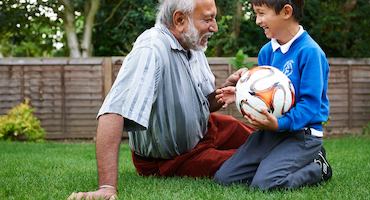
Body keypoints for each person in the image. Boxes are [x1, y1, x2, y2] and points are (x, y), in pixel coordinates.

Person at [68, 0, 254, 199]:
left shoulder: (192, 43)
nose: (215, 27)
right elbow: (113, 112)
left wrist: (225, 90)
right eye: (208, 19)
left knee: (261, 139)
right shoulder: (151, 49)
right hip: (176, 158)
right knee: (252, 160)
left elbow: (203, 105)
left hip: (207, 130)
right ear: (180, 19)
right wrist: (106, 187)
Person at [213, 0, 332, 190]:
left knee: (265, 184)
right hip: (270, 133)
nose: (257, 21)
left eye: (261, 13)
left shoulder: (310, 52)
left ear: (286, 12)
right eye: (255, 14)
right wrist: (239, 94)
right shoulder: (267, 52)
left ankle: (317, 167)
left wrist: (279, 124)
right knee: (224, 178)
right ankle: (273, 162)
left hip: (302, 135)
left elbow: (310, 106)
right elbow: (266, 96)